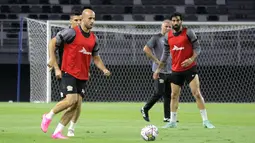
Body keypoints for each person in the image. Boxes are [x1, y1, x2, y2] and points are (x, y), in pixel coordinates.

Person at [41, 9, 111, 139]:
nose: (92, 21)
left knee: (76, 105)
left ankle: (57, 132)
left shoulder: (94, 38)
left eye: (94, 18)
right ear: (83, 19)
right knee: (71, 100)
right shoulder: (71, 32)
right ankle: (48, 116)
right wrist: (53, 60)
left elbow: (96, 57)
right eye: (90, 18)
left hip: (83, 75)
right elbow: (52, 42)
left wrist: (103, 69)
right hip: (69, 71)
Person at [154, 12, 215, 128]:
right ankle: (172, 122)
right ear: (171, 22)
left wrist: (191, 59)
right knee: (173, 95)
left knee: (196, 93)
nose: (176, 22)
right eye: (174, 20)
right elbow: (165, 54)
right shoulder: (168, 36)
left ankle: (206, 121)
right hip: (176, 70)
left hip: (189, 68)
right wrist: (158, 69)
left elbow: (198, 48)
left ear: (181, 21)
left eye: (178, 20)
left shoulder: (189, 33)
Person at [47, 9, 83, 137]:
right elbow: (52, 45)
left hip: (80, 72)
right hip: (66, 71)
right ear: (71, 21)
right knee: (71, 101)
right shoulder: (66, 34)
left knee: (78, 102)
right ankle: (50, 118)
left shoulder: (84, 34)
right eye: (76, 20)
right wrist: (55, 65)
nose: (78, 23)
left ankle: (70, 128)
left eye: (80, 20)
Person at [140, 20, 173, 122]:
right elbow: (146, 49)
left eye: (169, 27)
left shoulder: (173, 38)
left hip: (170, 70)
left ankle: (167, 117)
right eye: (166, 26)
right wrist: (156, 60)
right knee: (159, 92)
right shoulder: (156, 37)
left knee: (168, 94)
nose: (168, 28)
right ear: (162, 27)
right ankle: (145, 109)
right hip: (159, 70)